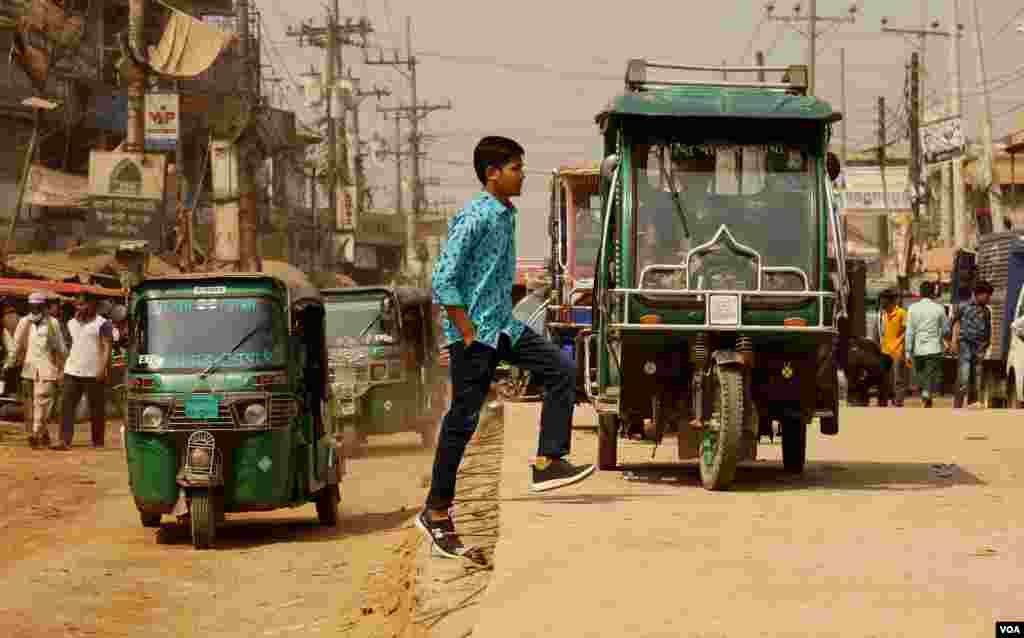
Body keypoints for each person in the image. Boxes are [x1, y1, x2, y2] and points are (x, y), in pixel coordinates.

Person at [416, 136, 595, 559]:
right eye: (516, 167)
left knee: (560, 369)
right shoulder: (476, 216)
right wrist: (464, 331)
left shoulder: (505, 214)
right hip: (475, 334)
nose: (522, 175)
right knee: (462, 420)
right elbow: (443, 279)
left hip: (504, 328)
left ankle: (549, 460)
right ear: (492, 173)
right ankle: (436, 512)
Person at [12, 292, 67, 448]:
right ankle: (42, 433)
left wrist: (64, 366)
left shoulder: (52, 323)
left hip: (47, 369)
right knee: (34, 405)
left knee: (42, 402)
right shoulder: (24, 322)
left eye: (38, 307)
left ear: (44, 307)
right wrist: (8, 364)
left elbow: (60, 347)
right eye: (32, 307)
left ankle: (36, 433)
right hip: (29, 369)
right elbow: (16, 345)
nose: (35, 310)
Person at [61, 295, 114, 448]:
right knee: (66, 406)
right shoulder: (71, 323)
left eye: (83, 305)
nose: (79, 308)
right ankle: (64, 440)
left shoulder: (103, 324)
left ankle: (97, 442)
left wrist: (102, 368)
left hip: (93, 372)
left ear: (92, 305)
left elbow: (107, 348)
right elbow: (68, 346)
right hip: (72, 371)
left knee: (96, 409)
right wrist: (62, 367)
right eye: (78, 305)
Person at [945, 280, 993, 409]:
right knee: (964, 376)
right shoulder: (963, 306)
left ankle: (972, 404)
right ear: (978, 294)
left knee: (975, 378)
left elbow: (988, 330)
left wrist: (986, 345)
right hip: (965, 344)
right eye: (987, 295)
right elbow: (951, 321)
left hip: (978, 348)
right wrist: (950, 341)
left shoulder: (987, 311)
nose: (988, 298)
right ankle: (958, 406)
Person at [906, 281, 948, 408]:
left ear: (920, 293)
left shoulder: (912, 308)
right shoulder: (939, 308)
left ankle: (925, 394)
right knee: (930, 373)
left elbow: (910, 331)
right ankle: (926, 393)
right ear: (933, 293)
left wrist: (908, 351)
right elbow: (946, 329)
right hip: (934, 347)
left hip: (918, 348)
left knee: (921, 374)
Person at [876, 289, 908, 407]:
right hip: (884, 350)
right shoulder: (882, 314)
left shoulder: (901, 313)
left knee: (898, 379)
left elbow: (906, 331)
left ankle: (898, 402)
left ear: (890, 301)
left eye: (883, 301)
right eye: (881, 301)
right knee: (882, 377)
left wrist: (904, 349)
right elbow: (881, 332)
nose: (881, 304)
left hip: (898, 351)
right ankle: (883, 401)